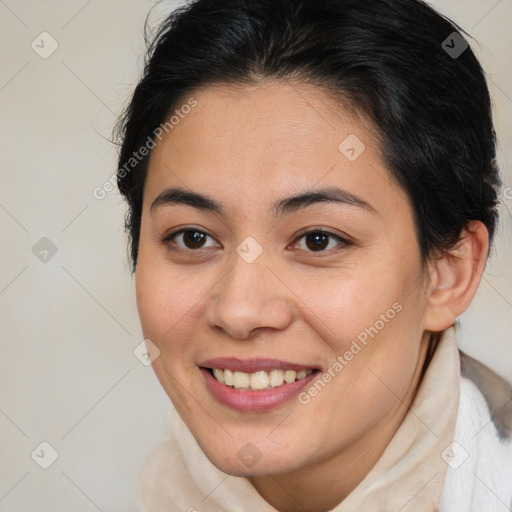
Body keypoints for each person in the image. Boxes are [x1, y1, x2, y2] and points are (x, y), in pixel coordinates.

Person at [114, 0, 512, 510]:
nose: (239, 311)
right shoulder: (161, 491)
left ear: (448, 273)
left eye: (317, 240)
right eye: (193, 238)